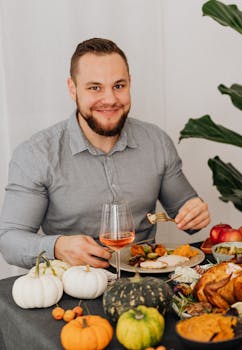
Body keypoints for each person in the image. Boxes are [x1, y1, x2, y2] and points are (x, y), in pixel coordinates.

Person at [0, 38, 210, 269]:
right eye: (95, 87)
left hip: (146, 280)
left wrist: (195, 213)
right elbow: (9, 240)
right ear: (73, 89)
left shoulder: (156, 141)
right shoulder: (36, 154)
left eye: (119, 86)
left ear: (130, 83)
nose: (110, 99)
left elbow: (187, 216)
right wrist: (57, 247)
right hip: (75, 286)